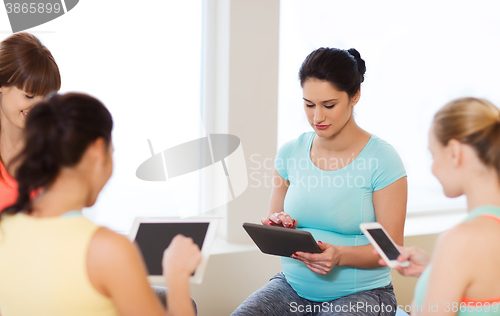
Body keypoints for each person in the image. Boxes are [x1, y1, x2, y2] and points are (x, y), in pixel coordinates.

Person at [232, 47, 407, 315]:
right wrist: (279, 225)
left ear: (355, 96)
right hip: (292, 288)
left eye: (329, 105)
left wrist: (339, 255)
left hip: (363, 294)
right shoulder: (290, 153)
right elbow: (274, 219)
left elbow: (392, 251)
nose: (317, 117)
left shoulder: (382, 158)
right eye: (309, 104)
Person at [0, 93, 201, 316]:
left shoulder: (5, 228)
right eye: (111, 153)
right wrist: (177, 276)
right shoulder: (107, 249)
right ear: (97, 150)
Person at [376, 98, 500, 316]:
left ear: (454, 152)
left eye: (433, 155)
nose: (432, 168)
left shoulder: (460, 241)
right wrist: (435, 269)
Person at [0, 32, 61, 211]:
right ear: (2, 85)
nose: (38, 107)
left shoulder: (53, 150)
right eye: (29, 95)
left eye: (47, 98)